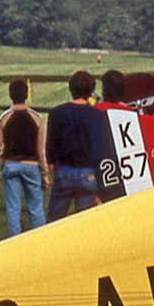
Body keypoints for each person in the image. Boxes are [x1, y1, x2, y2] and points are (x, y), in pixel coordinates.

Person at [0, 80, 48, 237]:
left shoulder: (3, 118)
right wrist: (44, 173)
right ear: (27, 95)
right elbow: (41, 150)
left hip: (10, 166)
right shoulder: (37, 118)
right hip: (31, 166)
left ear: (10, 96)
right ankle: (39, 240)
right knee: (36, 207)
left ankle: (14, 241)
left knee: (13, 208)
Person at [45, 70, 101, 221]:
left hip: (64, 171)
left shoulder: (56, 113)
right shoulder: (98, 115)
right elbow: (100, 150)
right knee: (84, 223)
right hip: (89, 172)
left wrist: (53, 175)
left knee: (54, 223)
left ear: (70, 89)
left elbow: (50, 150)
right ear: (91, 92)